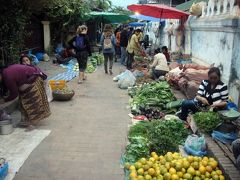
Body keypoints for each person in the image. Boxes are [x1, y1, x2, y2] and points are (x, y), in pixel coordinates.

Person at [0, 64, 50, 129]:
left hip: (34, 78)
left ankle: (33, 124)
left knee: (32, 103)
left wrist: (4, 100)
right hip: (32, 76)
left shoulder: (8, 77)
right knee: (24, 102)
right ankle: (27, 121)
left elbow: (14, 95)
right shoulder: (5, 72)